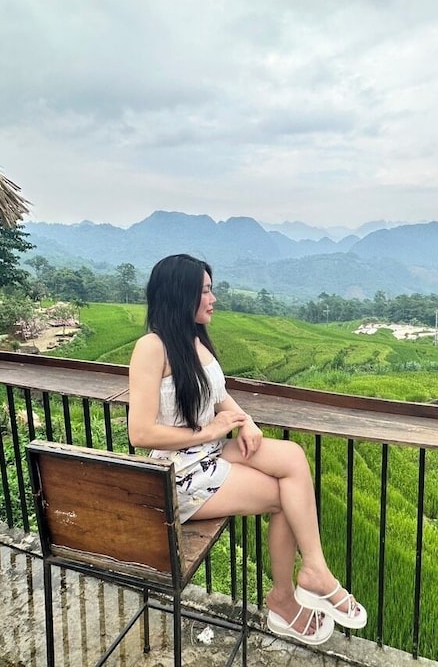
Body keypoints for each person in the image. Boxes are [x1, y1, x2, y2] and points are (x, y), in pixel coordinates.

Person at [127, 253, 366, 645]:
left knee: (293, 457)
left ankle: (314, 570)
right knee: (284, 498)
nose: (213, 299)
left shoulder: (194, 339)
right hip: (177, 473)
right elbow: (140, 432)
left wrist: (245, 420)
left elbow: (218, 396)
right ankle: (285, 599)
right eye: (205, 291)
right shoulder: (151, 347)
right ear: (181, 294)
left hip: (208, 452)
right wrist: (210, 430)